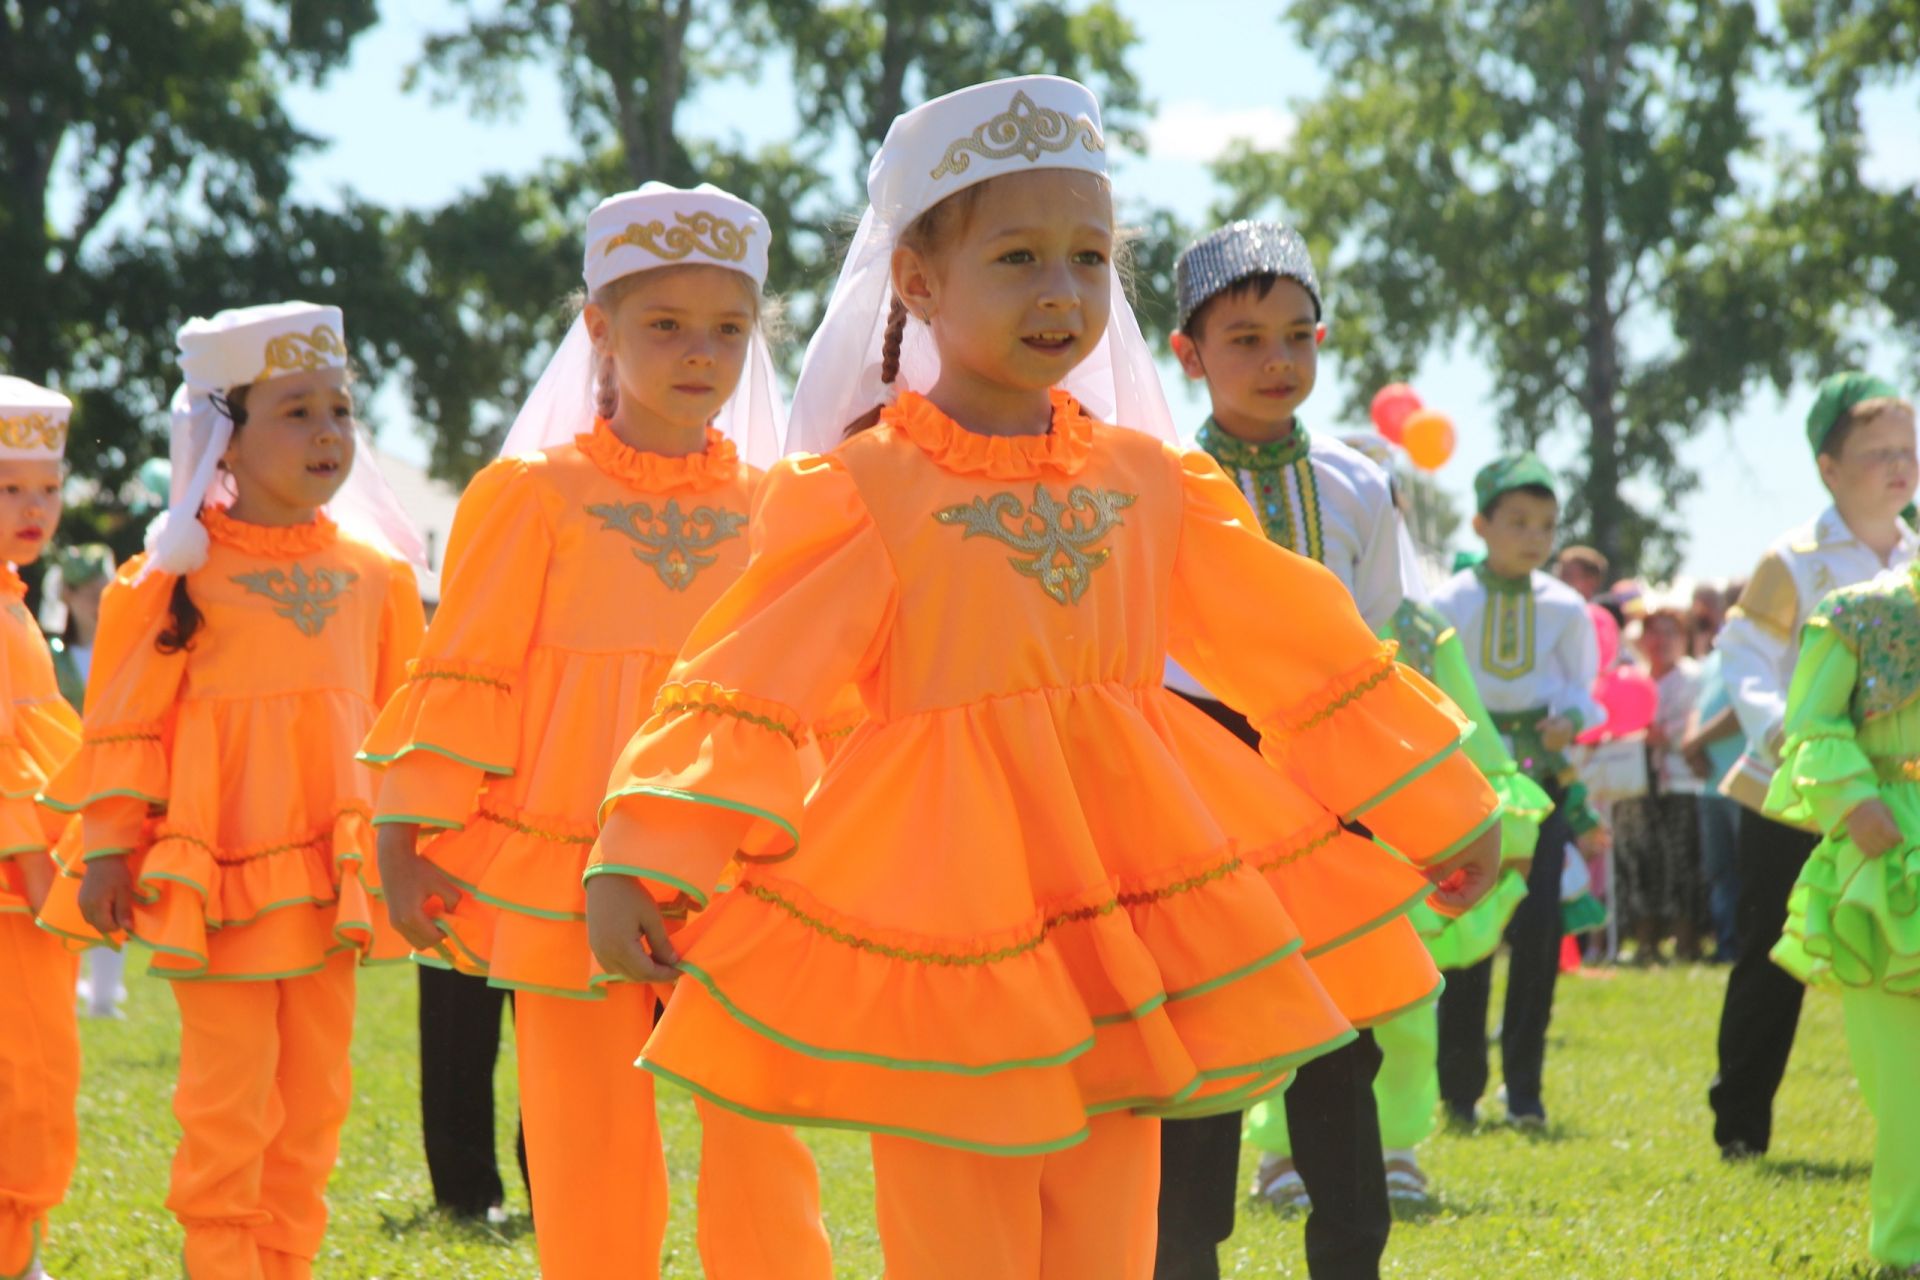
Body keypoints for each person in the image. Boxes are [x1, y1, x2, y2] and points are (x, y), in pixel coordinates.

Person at [582, 75, 1502, 1280]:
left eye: (1088, 256)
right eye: (1017, 256)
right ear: (917, 281)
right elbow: (754, 675)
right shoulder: (867, 488)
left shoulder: (1150, 477)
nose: (1062, 291)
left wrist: (1440, 799)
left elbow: (1301, 644)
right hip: (948, 901)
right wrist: (646, 849)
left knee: (1107, 1231)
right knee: (964, 1225)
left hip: (1128, 889)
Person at [364, 183, 830, 1280]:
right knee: (585, 1138)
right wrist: (400, 839)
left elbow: (809, 688)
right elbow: (468, 670)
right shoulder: (531, 493)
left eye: (727, 328)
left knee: (762, 1131)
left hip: (739, 854)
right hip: (563, 857)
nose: (698, 352)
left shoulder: (783, 502)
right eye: (663, 323)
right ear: (598, 330)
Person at [37, 302, 428, 1279]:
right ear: (225, 433)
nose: (329, 431)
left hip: (332, 882)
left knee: (316, 1099)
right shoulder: (172, 579)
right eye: (296, 410)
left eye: (340, 409)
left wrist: (418, 848)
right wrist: (110, 846)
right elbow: (126, 723)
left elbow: (408, 723)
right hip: (216, 881)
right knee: (228, 1101)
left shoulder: (375, 575)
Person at [1153, 220, 1412, 1280]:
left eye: (1298, 335)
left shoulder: (1359, 483)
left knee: (1340, 1045)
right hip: (1191, 783)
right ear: (1188, 352)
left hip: (1326, 778)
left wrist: (1404, 798)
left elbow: (1391, 642)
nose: (1276, 361)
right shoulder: (1155, 481)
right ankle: (1180, 1258)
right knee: (1203, 1050)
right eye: (1246, 336)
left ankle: (1350, 1255)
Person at [1243, 433, 1547, 1221]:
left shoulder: (1415, 631)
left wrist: (1484, 814)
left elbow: (1460, 729)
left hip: (1392, 846)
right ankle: (1278, 1149)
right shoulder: (1251, 628)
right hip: (1278, 840)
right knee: (1290, 991)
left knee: (1405, 996)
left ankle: (1398, 1144)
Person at [1710, 373, 1919, 1161]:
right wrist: (1778, 734)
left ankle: (1901, 1135)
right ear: (1829, 468)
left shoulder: (1917, 558)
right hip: (1789, 794)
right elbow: (1746, 653)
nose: (1899, 467)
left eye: (1908, 450)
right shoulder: (1794, 559)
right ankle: (1741, 1124)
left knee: (1899, 953)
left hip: (1897, 797)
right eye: (1877, 453)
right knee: (1772, 954)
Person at [1430, 454, 1609, 1128]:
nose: (1533, 537)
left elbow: (1585, 690)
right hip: (1471, 779)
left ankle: (1525, 1089)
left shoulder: (1567, 607)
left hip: (1543, 780)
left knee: (1538, 934)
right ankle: (1460, 1089)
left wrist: (1573, 720)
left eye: (1546, 524)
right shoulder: (1449, 601)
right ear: (1481, 524)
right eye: (1517, 522)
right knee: (1471, 928)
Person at [1764, 558, 1920, 1273]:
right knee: (1901, 1070)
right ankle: (1907, 1245)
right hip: (1892, 845)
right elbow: (1813, 723)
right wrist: (1852, 798)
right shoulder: (1860, 612)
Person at [0, 377, 84, 1280]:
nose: (35, 507)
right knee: (27, 1080)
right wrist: (35, 871)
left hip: (30, 889)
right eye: (9, 488)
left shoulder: (15, 600)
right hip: (15, 897)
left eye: (47, 488)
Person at [38, 543, 126, 1019]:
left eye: (103, 589)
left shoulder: (129, 652)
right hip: (61, 781)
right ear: (67, 596)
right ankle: (66, 981)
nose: (97, 598)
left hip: (112, 782)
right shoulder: (52, 655)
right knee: (59, 883)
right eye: (87, 590)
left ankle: (105, 993)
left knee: (111, 879)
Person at [1612, 604, 1705, 962]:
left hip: (1680, 781)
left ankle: (1686, 942)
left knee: (1680, 861)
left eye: (1671, 633)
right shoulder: (1632, 677)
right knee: (1640, 858)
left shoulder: (1693, 677)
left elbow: (1691, 723)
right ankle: (1645, 943)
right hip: (1635, 780)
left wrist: (1664, 735)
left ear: (1684, 639)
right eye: (1655, 631)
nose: (1661, 640)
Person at [1683, 587, 1748, 961]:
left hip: (1745, 781)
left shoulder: (1758, 655)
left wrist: (1693, 744)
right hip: (1711, 783)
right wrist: (1693, 744)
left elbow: (1742, 712)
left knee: (1749, 872)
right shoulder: (1716, 655)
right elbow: (1699, 705)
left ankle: (1748, 948)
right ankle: (1728, 946)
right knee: (1720, 872)